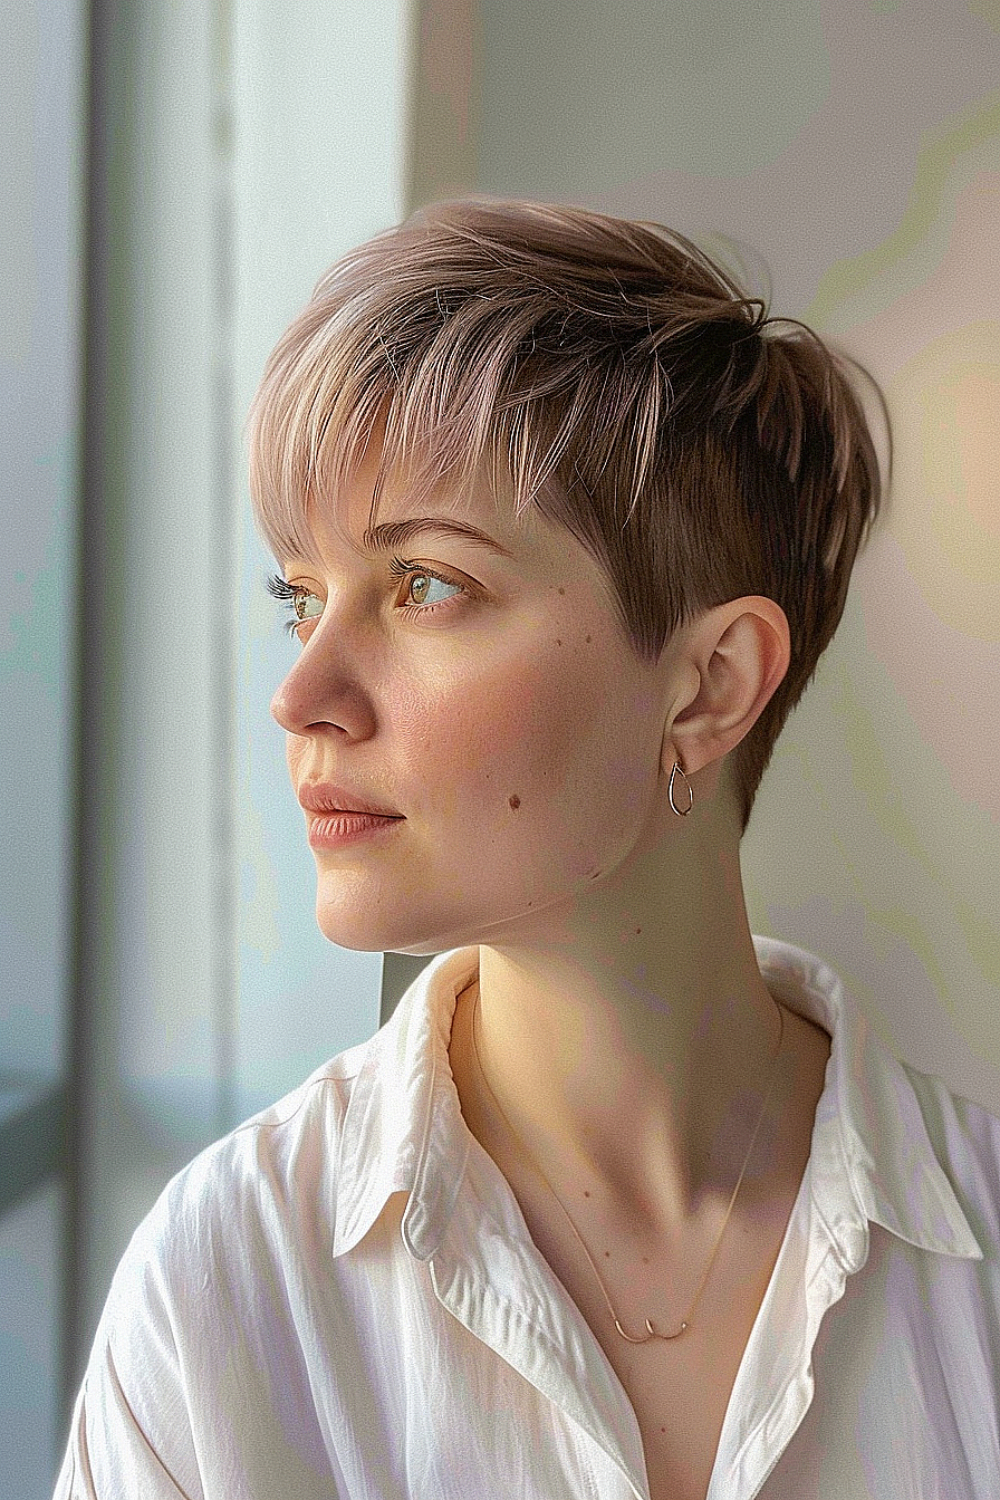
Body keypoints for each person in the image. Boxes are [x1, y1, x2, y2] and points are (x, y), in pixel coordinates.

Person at [54, 200, 1000, 1500]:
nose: (302, 693)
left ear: (711, 685)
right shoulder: (226, 1286)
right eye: (300, 598)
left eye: (425, 585)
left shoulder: (981, 1266)